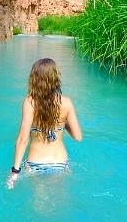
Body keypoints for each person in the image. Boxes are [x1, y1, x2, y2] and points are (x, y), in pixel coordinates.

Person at [7, 58, 82, 188]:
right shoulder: (67, 103)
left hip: (36, 163)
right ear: (55, 78)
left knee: (39, 203)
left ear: (34, 79)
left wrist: (15, 171)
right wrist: (62, 123)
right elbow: (78, 137)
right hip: (60, 163)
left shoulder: (30, 103)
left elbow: (22, 139)